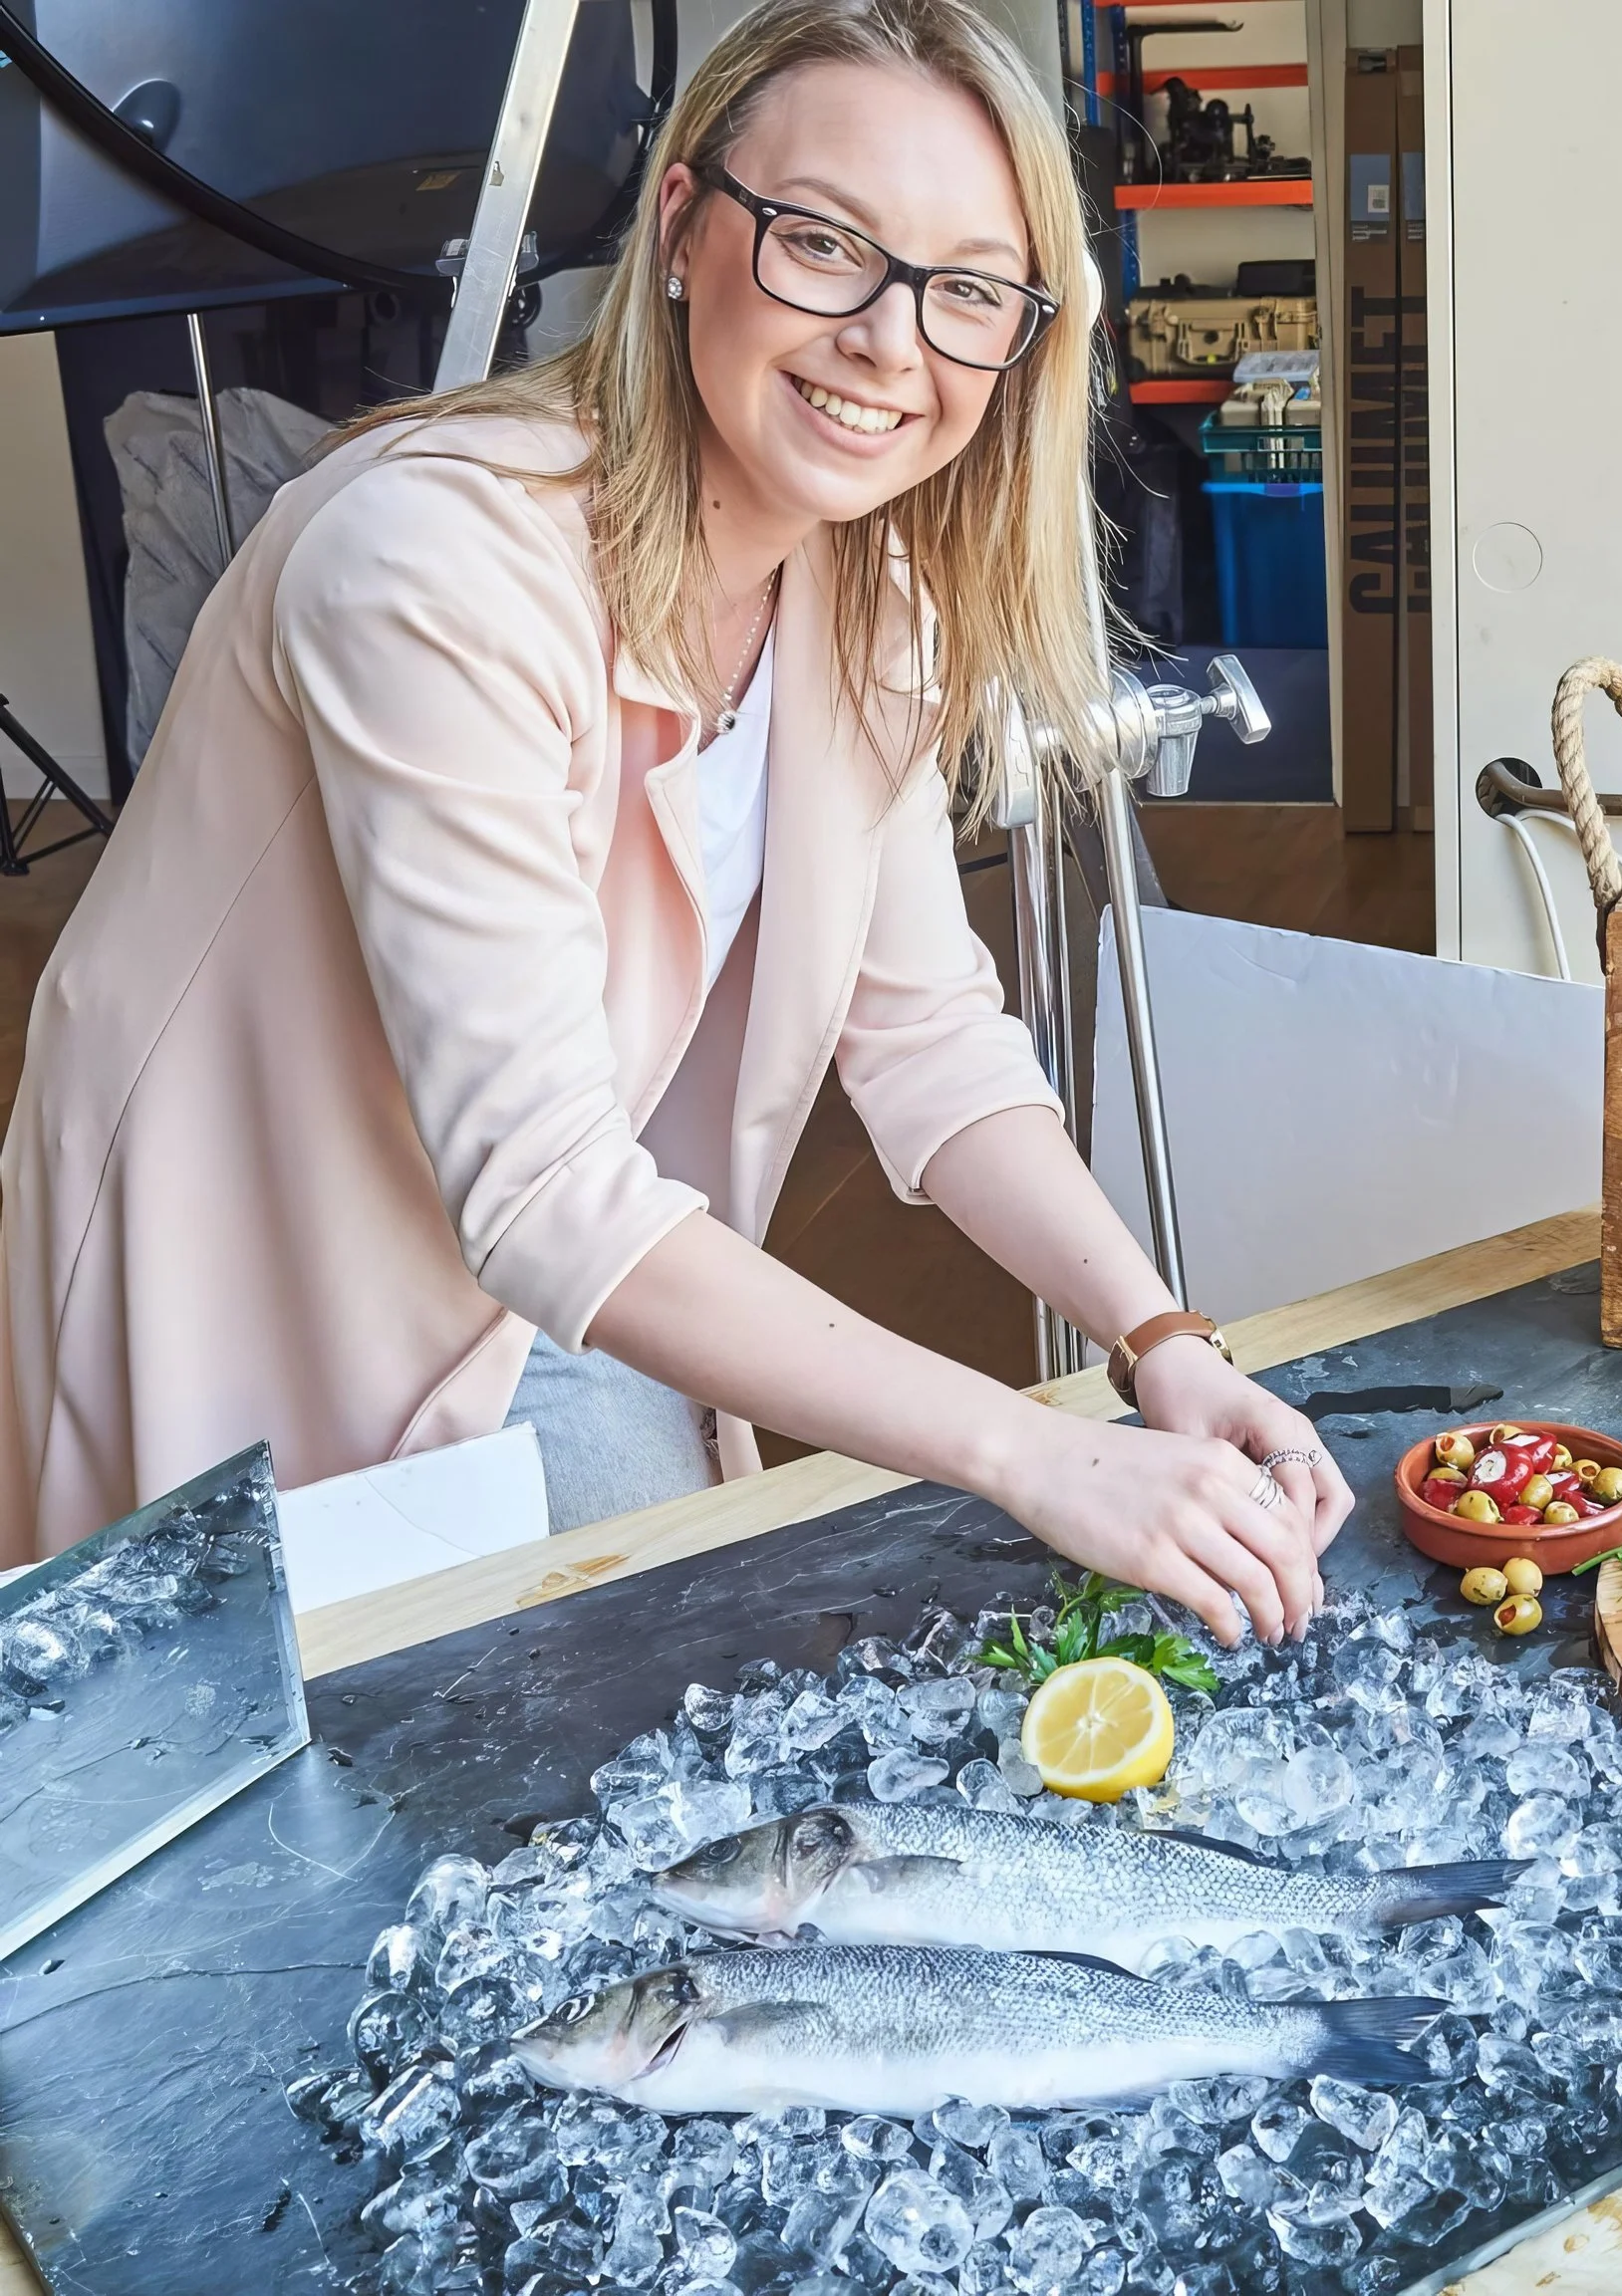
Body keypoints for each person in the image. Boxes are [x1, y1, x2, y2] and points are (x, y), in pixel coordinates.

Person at [0, 0, 1351, 1641]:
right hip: (267, 1267)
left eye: (968, 289)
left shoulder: (870, 591)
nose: (890, 340)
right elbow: (544, 1185)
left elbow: (935, 1048)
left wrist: (1161, 1346)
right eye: (825, 244)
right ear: (685, 228)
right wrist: (1033, 1456)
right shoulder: (433, 562)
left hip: (560, 1250)